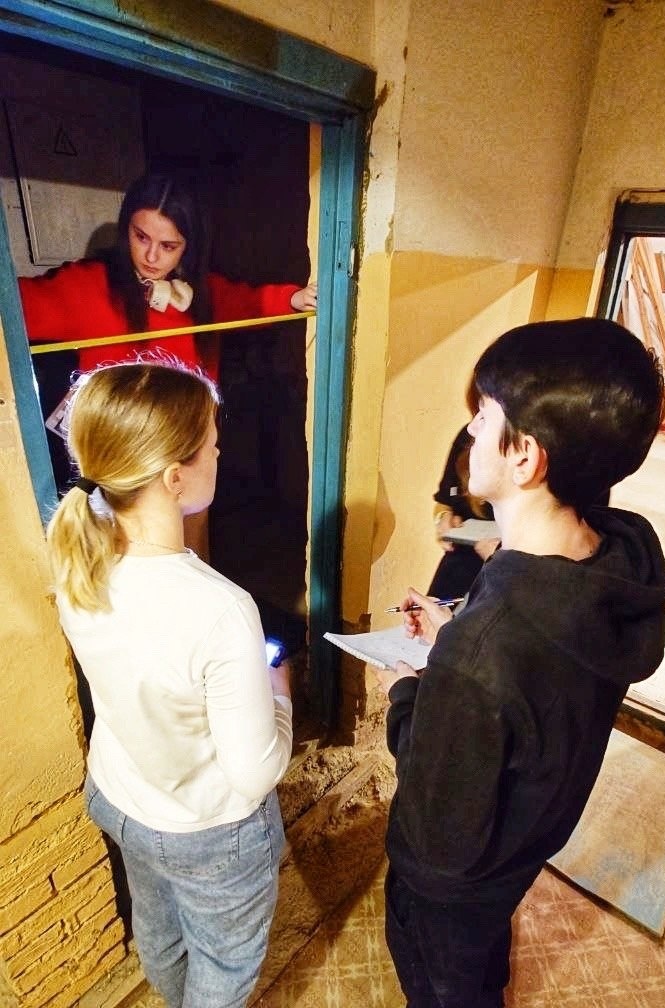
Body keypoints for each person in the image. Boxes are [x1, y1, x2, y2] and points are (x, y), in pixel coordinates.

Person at [374, 317, 665, 1007]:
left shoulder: (482, 654)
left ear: (526, 458)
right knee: (482, 964)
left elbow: (441, 837)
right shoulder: (619, 555)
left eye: (483, 416)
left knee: (445, 985)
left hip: (452, 888)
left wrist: (410, 691)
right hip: (526, 844)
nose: (471, 429)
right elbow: (531, 670)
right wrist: (459, 632)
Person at [45, 358, 293, 1008]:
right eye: (211, 443)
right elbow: (254, 773)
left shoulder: (76, 560)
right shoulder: (221, 609)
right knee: (225, 964)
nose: (220, 452)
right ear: (174, 476)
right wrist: (279, 689)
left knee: (158, 932)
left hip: (121, 799)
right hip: (207, 830)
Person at [18, 169, 316, 553]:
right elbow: (17, 305)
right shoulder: (87, 286)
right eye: (141, 237)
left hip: (188, 462)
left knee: (191, 558)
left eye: (169, 245)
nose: (151, 256)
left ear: (188, 247)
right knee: (128, 562)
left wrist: (292, 299)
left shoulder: (199, 293)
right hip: (125, 469)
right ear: (125, 229)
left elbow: (247, 302)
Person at [428, 424, 497, 600]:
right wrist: (443, 518)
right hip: (459, 566)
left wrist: (500, 558)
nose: (474, 426)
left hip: (509, 576)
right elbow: (445, 502)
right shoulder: (469, 435)